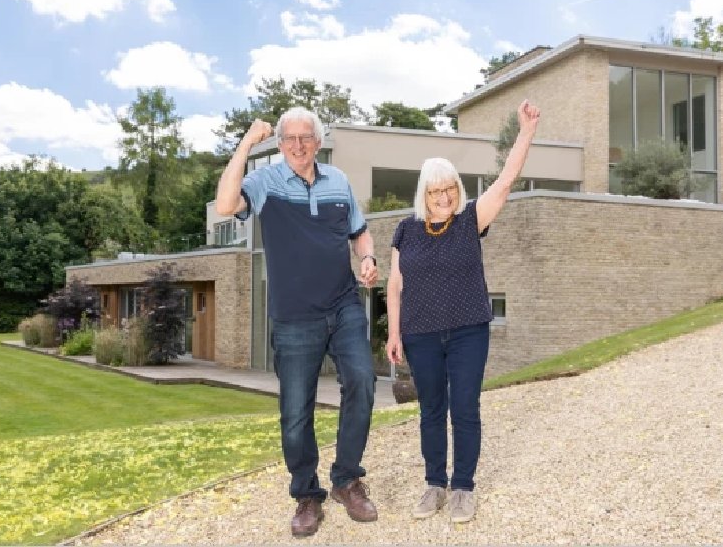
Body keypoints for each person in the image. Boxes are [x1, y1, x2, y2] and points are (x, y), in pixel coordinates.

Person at [215, 107, 379, 538]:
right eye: (290, 138)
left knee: (363, 381)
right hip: (294, 317)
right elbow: (226, 204)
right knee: (294, 414)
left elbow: (360, 231)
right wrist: (247, 143)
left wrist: (367, 257)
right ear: (280, 143)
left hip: (343, 304)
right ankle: (307, 495)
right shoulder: (265, 182)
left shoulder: (338, 182)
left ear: (319, 141)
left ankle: (347, 480)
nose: (299, 144)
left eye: (306, 137)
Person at [385, 100, 540, 523]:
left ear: (457, 188)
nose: (443, 196)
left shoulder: (472, 219)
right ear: (424, 194)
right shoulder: (406, 229)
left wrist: (525, 132)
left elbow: (506, 181)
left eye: (449, 187)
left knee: (465, 409)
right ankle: (434, 484)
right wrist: (394, 333)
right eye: (435, 190)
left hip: (469, 330)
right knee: (431, 409)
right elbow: (395, 285)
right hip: (420, 334)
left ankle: (463, 488)